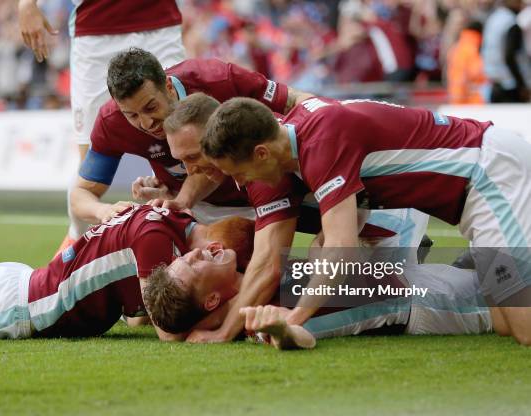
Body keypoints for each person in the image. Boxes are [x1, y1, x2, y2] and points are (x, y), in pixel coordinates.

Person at [201, 95, 531, 346]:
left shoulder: (319, 144)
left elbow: (342, 248)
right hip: (475, 187)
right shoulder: (306, 130)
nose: (241, 184)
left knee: (524, 328)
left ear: (261, 153)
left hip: (488, 174)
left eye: (239, 173)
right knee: (502, 321)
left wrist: (296, 315)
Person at [160, 92, 430, 343]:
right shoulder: (266, 143)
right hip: (370, 212)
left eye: (194, 155)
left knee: (393, 293)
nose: (189, 169)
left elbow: (269, 264)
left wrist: (224, 330)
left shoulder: (259, 163)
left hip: (389, 218)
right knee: (345, 279)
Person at [70, 47, 315, 237]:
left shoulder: (218, 79)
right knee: (222, 271)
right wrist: (104, 211)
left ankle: (341, 292)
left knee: (340, 238)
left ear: (167, 86)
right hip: (208, 209)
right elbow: (80, 193)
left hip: (271, 183)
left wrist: (325, 143)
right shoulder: (111, 121)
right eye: (131, 115)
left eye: (150, 107)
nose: (146, 124)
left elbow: (295, 101)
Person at [0, 204, 254, 342]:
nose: (204, 255)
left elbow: (140, 313)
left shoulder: (172, 221)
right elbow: (169, 330)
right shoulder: (157, 241)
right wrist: (237, 311)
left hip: (25, 286)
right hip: (17, 305)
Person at [18, 0, 186, 252]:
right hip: (94, 30)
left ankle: (188, 234)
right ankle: (75, 242)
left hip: (158, 23)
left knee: (181, 133)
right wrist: (26, 5)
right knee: (89, 160)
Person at [143, 246, 495, 346]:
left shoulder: (256, 274)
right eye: (192, 264)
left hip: (407, 277)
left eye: (185, 255)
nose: (197, 252)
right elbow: (295, 337)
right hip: (421, 303)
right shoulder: (258, 319)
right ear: (210, 302)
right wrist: (283, 329)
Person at [481, 0, 530, 103]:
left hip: (494, 83)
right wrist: (521, 85)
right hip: (510, 86)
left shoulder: (494, 18)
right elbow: (509, 56)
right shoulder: (510, 22)